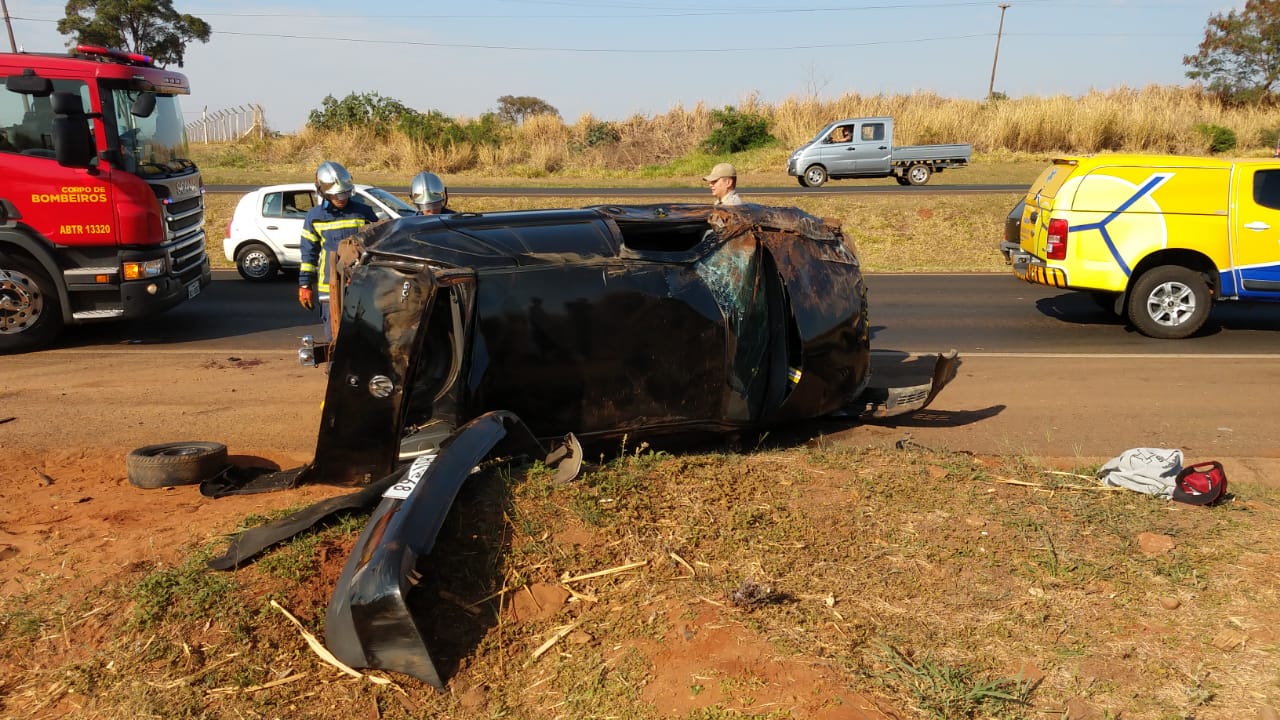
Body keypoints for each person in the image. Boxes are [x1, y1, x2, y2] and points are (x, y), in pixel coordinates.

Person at [298, 161, 379, 342]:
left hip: (361, 285)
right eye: (336, 195)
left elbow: (376, 245)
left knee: (364, 336)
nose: (341, 198)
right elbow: (308, 254)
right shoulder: (314, 217)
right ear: (322, 192)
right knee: (334, 337)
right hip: (329, 287)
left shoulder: (363, 213)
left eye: (344, 193)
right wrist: (305, 285)